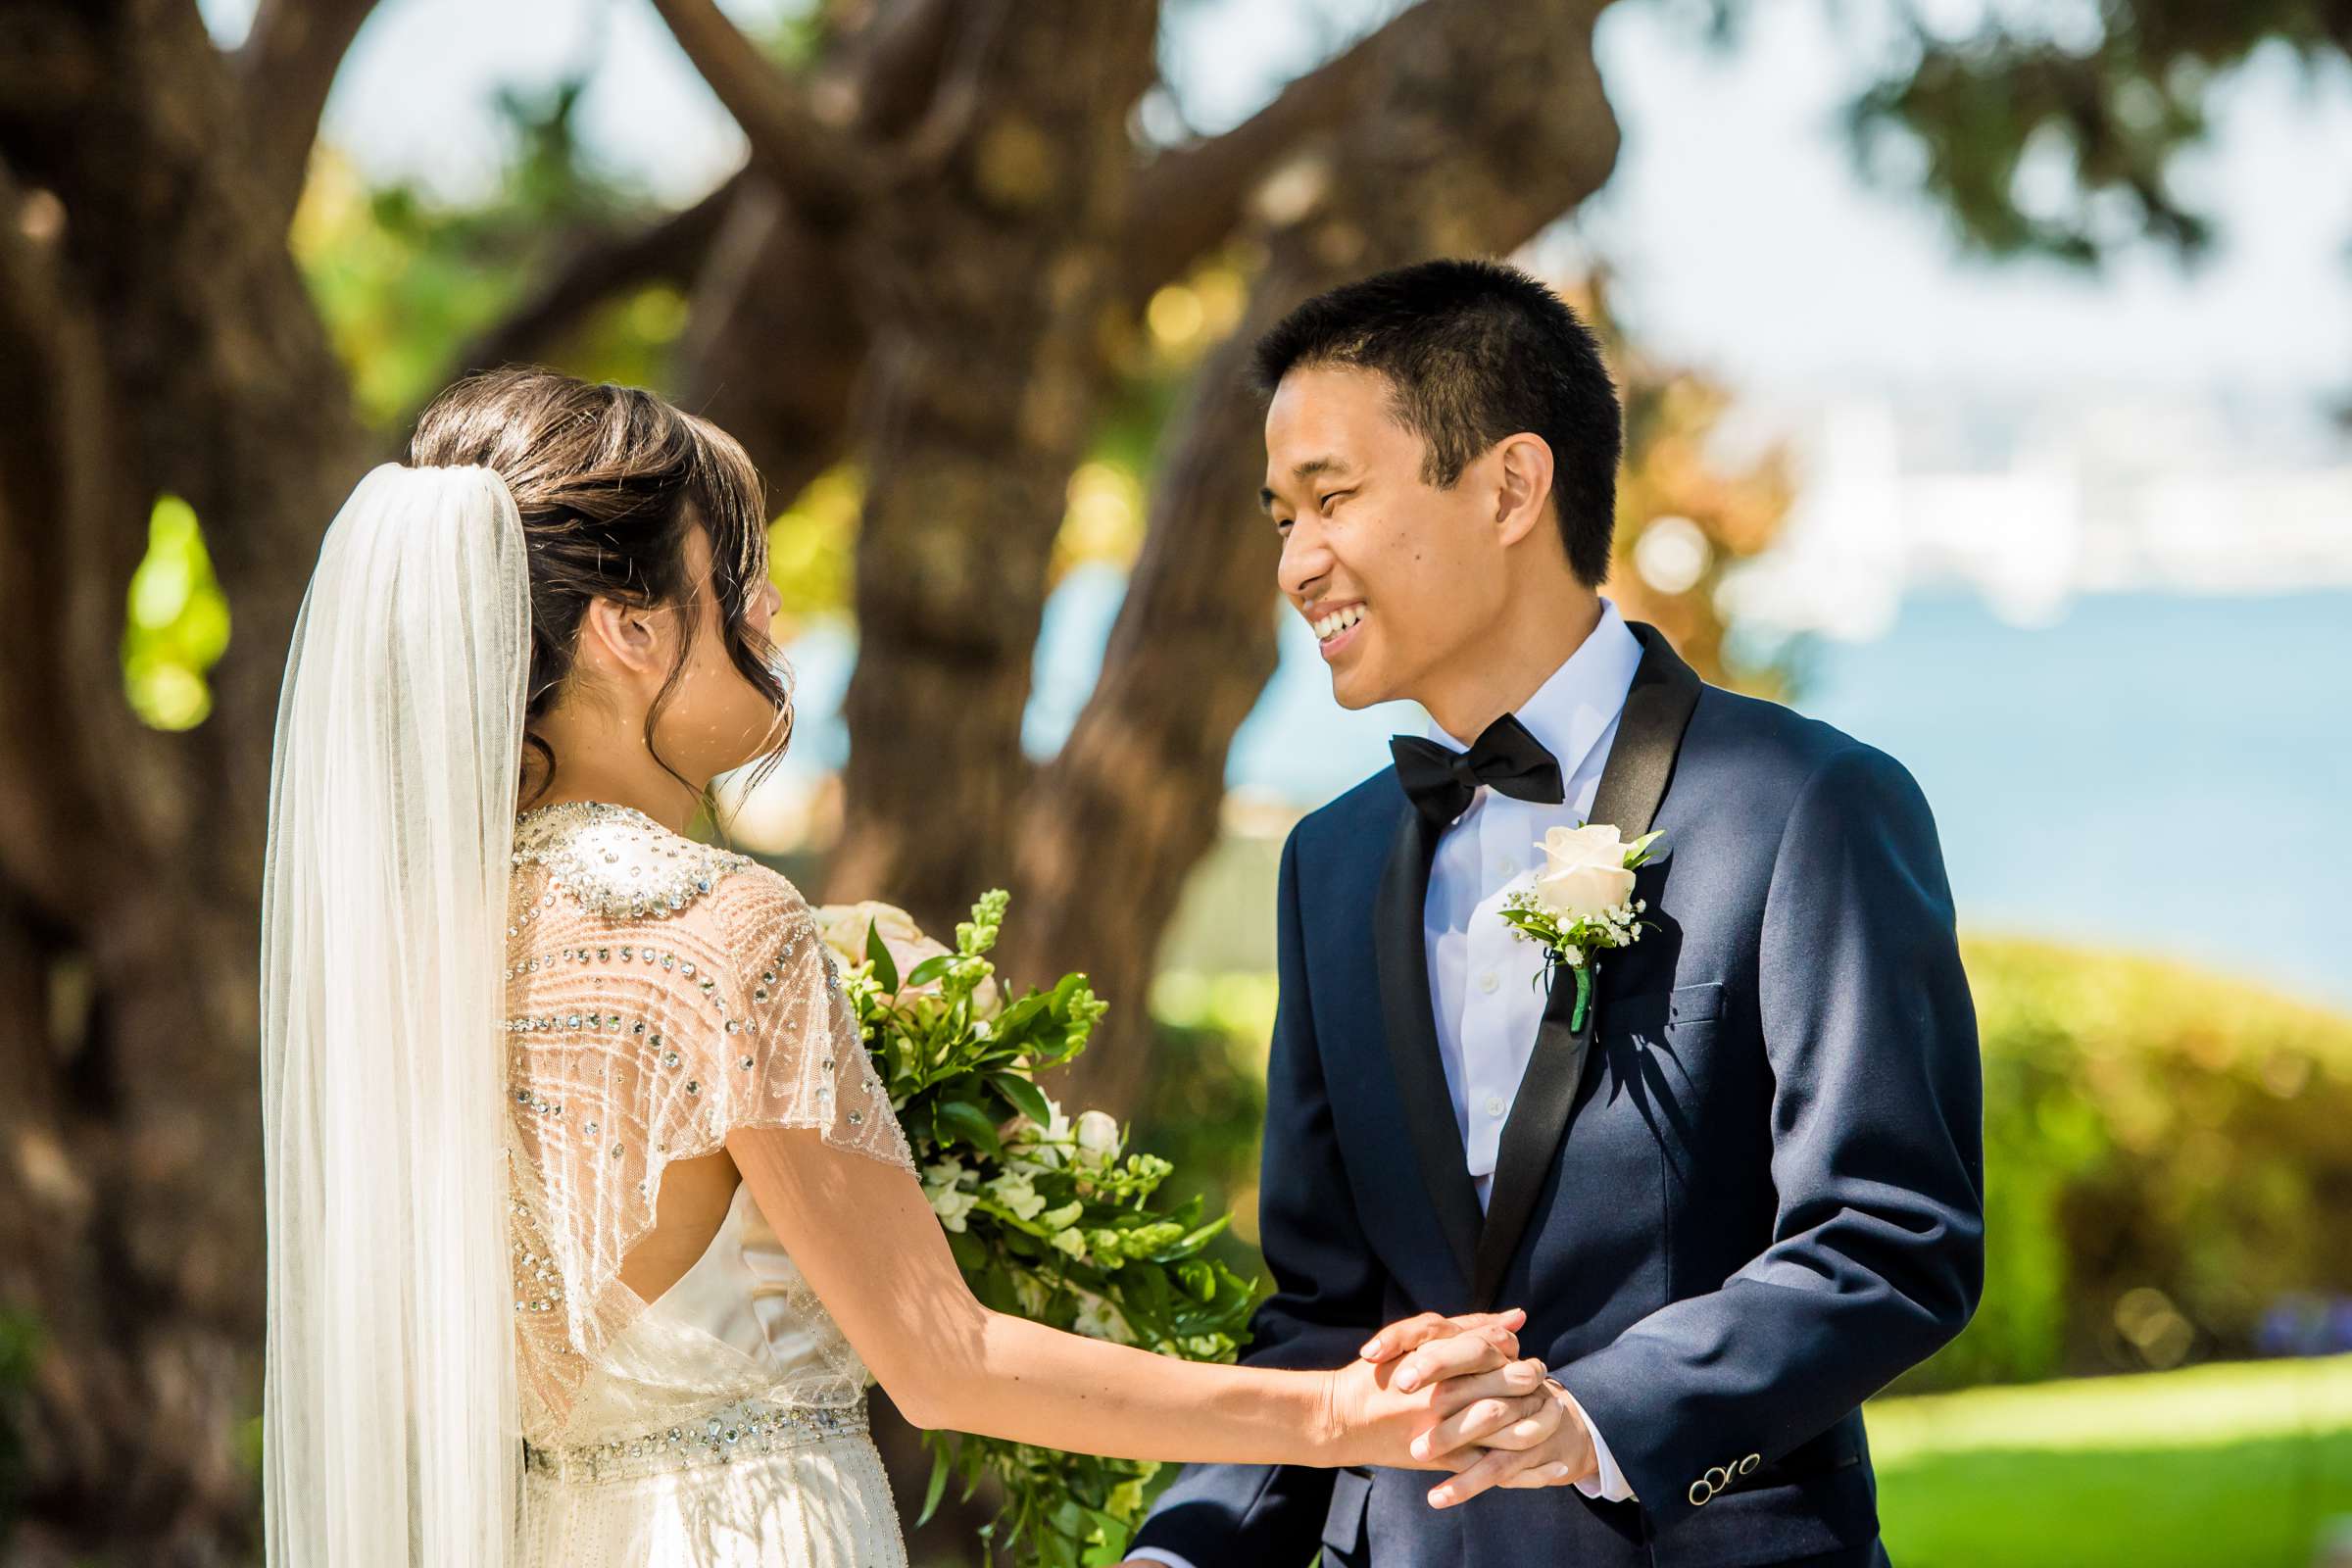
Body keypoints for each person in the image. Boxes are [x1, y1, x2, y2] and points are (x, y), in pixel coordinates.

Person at [256, 366, 1532, 1568]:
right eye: (735, 576)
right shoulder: (718, 927)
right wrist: (1344, 1416)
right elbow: (943, 1358)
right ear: (629, 631)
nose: (770, 611)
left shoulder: (416, 947)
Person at [1119, 260, 1985, 1568]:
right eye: (1279, 516)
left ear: (1514, 486)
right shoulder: (1331, 861)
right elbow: (1318, 1315)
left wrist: (1598, 1415)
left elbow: (1894, 1236)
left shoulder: (1808, 805)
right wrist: (1180, 1554)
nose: (1297, 560)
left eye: (1331, 498)